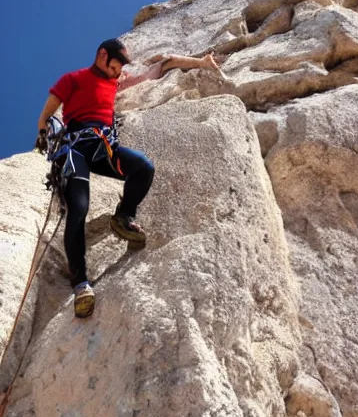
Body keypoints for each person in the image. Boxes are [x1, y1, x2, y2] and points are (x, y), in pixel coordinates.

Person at [36, 38, 221, 318]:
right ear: (101, 55)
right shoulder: (73, 79)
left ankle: (123, 216)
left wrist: (201, 63)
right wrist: (44, 134)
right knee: (78, 209)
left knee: (143, 167)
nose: (119, 69)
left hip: (102, 147)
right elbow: (48, 113)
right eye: (116, 63)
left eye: (121, 65)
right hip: (75, 149)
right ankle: (81, 284)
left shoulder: (116, 82)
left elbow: (164, 64)